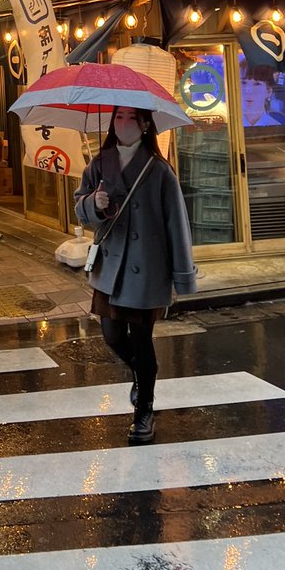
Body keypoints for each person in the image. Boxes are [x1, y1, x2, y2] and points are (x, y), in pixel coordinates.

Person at [75, 106, 197, 446]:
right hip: (110, 269)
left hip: (148, 270)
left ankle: (144, 411)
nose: (122, 124)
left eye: (130, 118)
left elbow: (177, 226)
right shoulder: (100, 164)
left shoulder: (159, 171)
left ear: (145, 125)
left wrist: (182, 276)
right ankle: (145, 377)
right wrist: (93, 204)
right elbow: (80, 207)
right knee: (112, 336)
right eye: (117, 118)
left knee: (142, 342)